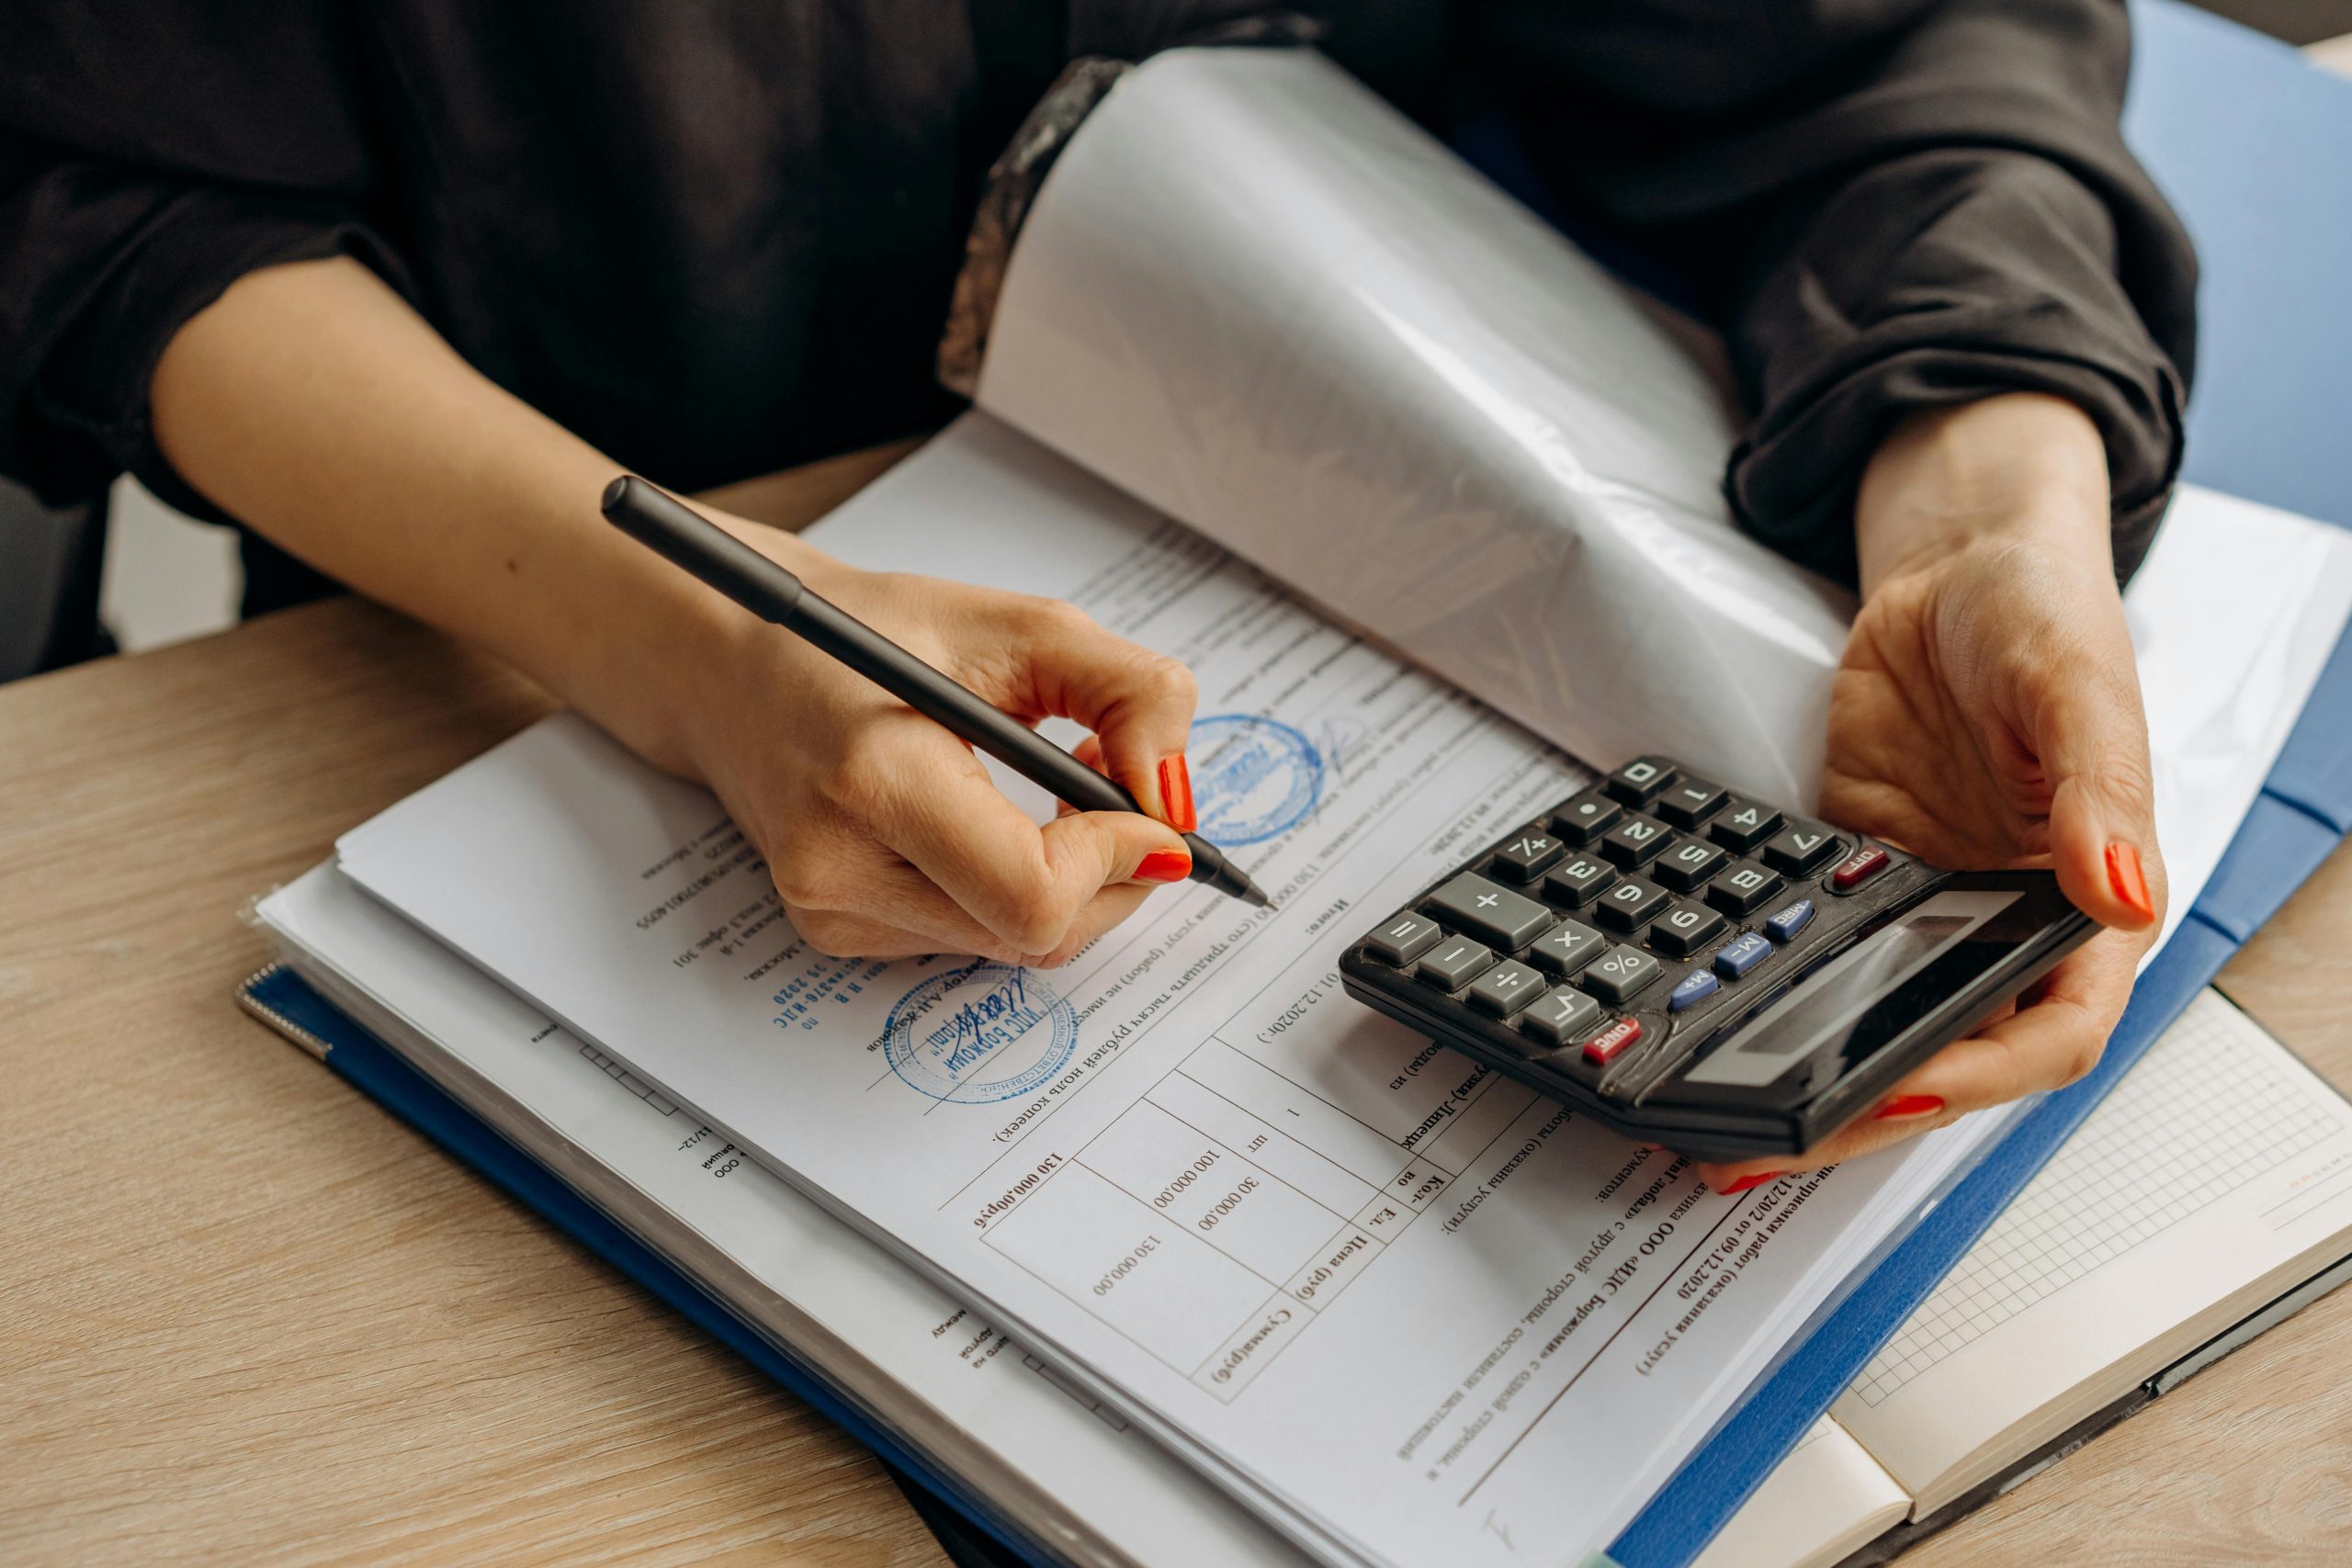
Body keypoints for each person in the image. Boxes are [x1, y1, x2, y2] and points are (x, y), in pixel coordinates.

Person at [0, 0, 2189, 1185]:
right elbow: (114, 208)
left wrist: (1990, 478)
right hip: (520, 540)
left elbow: (1887, 41)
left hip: (1407, 424)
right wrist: (699, 637)